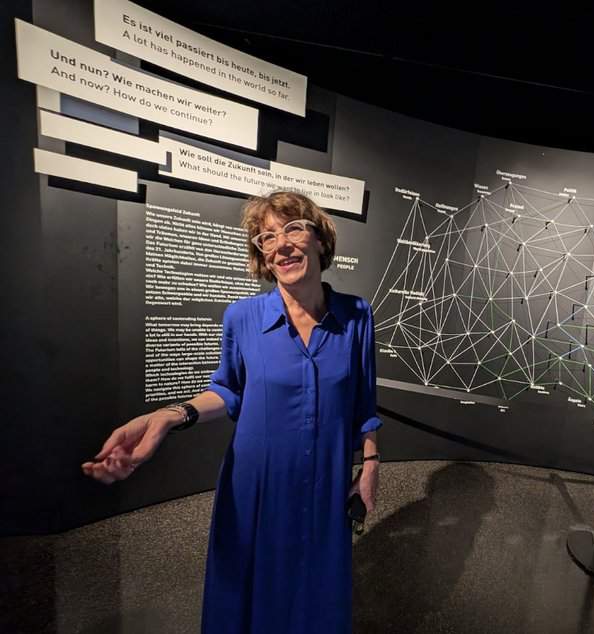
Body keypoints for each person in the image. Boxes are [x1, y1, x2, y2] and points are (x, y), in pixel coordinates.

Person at [81, 191, 382, 633]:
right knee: (246, 594)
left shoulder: (357, 315)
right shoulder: (242, 317)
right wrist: (169, 416)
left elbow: (363, 400)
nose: (281, 245)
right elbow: (228, 390)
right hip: (256, 486)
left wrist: (370, 461)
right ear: (262, 255)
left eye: (293, 228)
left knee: (316, 596)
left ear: (320, 239)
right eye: (267, 237)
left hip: (325, 485)